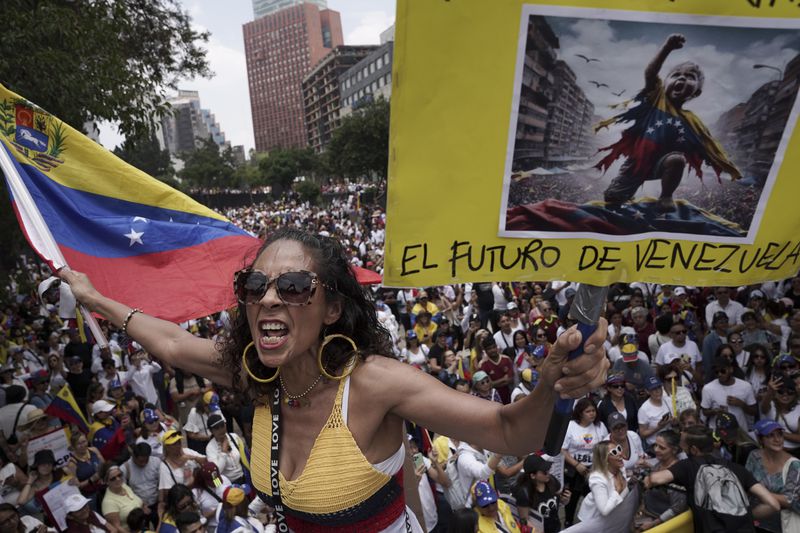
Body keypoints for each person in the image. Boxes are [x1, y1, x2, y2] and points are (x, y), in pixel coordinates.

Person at [60, 227, 608, 532]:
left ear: (330, 309)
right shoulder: (253, 372)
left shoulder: (375, 384)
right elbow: (173, 343)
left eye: (295, 286)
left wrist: (552, 386)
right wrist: (93, 297)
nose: (271, 297)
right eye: (256, 286)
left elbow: (514, 434)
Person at [597, 33, 741, 211]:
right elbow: (650, 73)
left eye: (689, 76)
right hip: (638, 162)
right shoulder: (657, 100)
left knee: (677, 159)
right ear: (664, 85)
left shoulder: (692, 120)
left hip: (663, 164)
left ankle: (666, 197)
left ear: (696, 92)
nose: (681, 78)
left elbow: (709, 144)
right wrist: (667, 48)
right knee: (612, 199)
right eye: (676, 75)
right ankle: (621, 193)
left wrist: (728, 166)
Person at [645, 425, 780, 533]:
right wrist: (745, 514)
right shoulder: (737, 468)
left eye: (683, 446)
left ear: (693, 450)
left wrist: (646, 478)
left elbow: (656, 479)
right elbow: (773, 504)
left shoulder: (688, 466)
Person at [745, 419, 800, 533]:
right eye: (770, 436)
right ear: (760, 439)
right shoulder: (754, 456)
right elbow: (746, 483)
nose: (777, 439)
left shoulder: (794, 465)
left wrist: (759, 491)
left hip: (784, 524)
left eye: (780, 434)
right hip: (757, 520)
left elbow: (790, 500)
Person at [561, 397, 608, 527]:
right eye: (588, 411)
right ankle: (568, 523)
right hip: (573, 471)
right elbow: (562, 450)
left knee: (595, 500)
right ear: (580, 413)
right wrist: (576, 464)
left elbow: (606, 448)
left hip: (594, 470)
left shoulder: (600, 426)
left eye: (593, 410)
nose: (592, 413)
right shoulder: (570, 426)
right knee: (571, 502)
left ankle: (593, 525)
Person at [639, 430, 687, 531]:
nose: (656, 449)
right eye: (655, 445)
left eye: (662, 448)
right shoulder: (658, 465)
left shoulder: (678, 473)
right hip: (648, 517)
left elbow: (677, 508)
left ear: (674, 450)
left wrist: (653, 524)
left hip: (666, 525)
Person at [575, 441, 631, 523]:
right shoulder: (597, 478)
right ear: (605, 459)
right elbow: (604, 511)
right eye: (614, 452)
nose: (620, 453)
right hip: (593, 521)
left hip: (613, 518)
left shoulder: (619, 468)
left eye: (619, 448)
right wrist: (618, 491)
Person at [512, 454, 570, 533]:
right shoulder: (524, 493)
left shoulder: (552, 481)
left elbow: (559, 502)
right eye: (544, 472)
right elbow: (524, 519)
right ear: (533, 475)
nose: (548, 473)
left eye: (548, 469)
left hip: (555, 528)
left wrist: (565, 500)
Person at [120, 443, 161, 524]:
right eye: (141, 461)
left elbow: (161, 482)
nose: (144, 463)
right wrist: (140, 505)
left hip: (156, 504)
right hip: (138, 507)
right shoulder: (124, 469)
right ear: (134, 457)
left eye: (146, 460)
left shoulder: (156, 462)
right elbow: (123, 492)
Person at [101, 464, 147, 531]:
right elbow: (117, 528)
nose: (118, 479)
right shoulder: (108, 503)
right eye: (113, 478)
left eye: (119, 475)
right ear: (106, 482)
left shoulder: (124, 485)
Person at [204, 413, 246, 484]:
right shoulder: (210, 448)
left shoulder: (234, 437)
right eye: (217, 428)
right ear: (211, 431)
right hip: (227, 484)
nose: (221, 430)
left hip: (245, 477)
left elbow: (245, 458)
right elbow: (215, 472)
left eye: (222, 425)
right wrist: (223, 452)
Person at [638, 377, 674, 451]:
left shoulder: (668, 400)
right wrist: (659, 427)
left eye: (659, 387)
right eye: (654, 389)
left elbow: (676, 421)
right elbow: (643, 434)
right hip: (655, 445)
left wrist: (674, 421)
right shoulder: (644, 409)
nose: (658, 391)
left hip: (670, 440)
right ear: (648, 391)